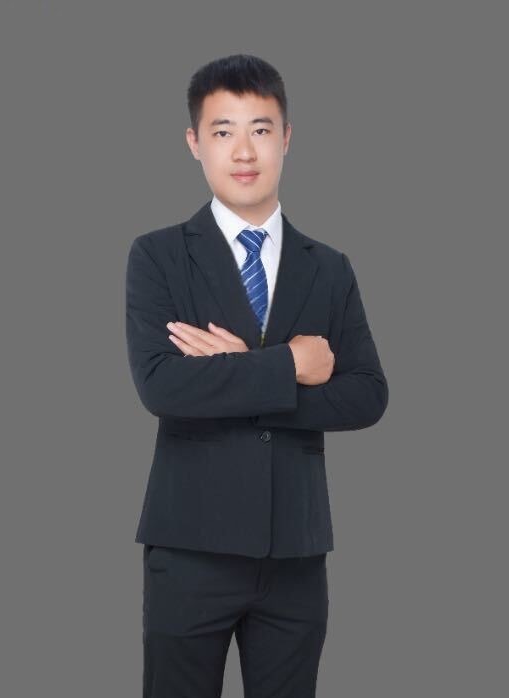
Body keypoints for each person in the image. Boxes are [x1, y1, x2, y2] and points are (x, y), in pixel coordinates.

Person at [125, 53, 388, 698]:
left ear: (287, 137)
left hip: (296, 554)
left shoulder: (329, 267)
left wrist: (235, 371)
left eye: (261, 129)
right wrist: (290, 366)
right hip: (191, 548)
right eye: (223, 131)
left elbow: (367, 394)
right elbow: (162, 386)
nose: (244, 151)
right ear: (195, 142)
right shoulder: (158, 255)